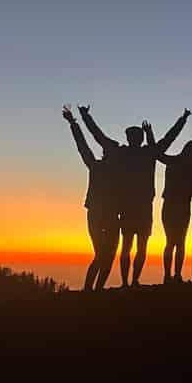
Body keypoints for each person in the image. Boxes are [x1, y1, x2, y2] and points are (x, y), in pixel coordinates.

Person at [80, 106, 191, 287]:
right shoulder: (147, 152)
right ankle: (132, 281)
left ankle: (128, 282)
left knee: (130, 246)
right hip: (137, 207)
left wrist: (86, 117)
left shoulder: (125, 153)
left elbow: (98, 137)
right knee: (137, 246)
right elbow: (168, 140)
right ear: (138, 138)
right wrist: (183, 119)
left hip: (129, 207)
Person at [62, 105, 119, 292]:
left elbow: (89, 142)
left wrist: (77, 121)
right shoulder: (96, 167)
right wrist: (74, 123)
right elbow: (83, 146)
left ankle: (96, 290)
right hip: (97, 215)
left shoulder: (112, 170)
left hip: (109, 216)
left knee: (108, 256)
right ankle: (89, 290)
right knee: (103, 254)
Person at [158, 141, 192, 283]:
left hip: (172, 207)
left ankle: (169, 275)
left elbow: (158, 155)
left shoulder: (174, 162)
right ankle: (175, 275)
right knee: (177, 242)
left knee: (172, 242)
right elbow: (158, 155)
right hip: (180, 207)